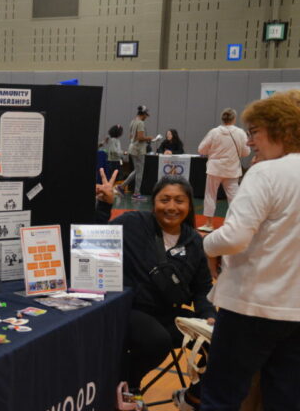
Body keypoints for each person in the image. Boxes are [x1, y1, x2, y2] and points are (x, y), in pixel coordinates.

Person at [200, 92, 300, 411]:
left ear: (281, 128)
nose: (250, 141)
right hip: (295, 311)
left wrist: (207, 244)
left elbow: (234, 238)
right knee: (285, 398)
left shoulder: (266, 172)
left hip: (251, 306)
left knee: (221, 397)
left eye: (255, 132)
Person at [97, 171, 216, 409]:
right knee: (157, 340)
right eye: (165, 199)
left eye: (179, 200)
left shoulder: (195, 242)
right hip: (130, 310)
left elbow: (202, 289)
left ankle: (193, 396)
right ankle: (131, 385)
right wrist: (104, 206)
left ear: (189, 205)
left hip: (169, 314)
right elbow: (93, 237)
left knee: (219, 340)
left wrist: (208, 315)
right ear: (154, 203)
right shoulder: (133, 223)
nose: (171, 207)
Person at [196, 108, 250, 232]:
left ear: (222, 119)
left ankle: (209, 224)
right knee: (234, 197)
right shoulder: (240, 133)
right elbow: (246, 152)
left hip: (214, 169)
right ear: (234, 119)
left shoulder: (214, 132)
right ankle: (236, 223)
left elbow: (201, 149)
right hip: (232, 169)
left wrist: (212, 151)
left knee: (210, 195)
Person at [116, 106, 153, 200]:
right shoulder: (140, 123)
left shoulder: (133, 122)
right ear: (143, 114)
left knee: (137, 170)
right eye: (146, 115)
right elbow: (140, 137)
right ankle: (136, 193)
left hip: (132, 148)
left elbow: (131, 136)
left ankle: (121, 187)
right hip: (139, 150)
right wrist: (150, 138)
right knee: (140, 172)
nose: (146, 117)